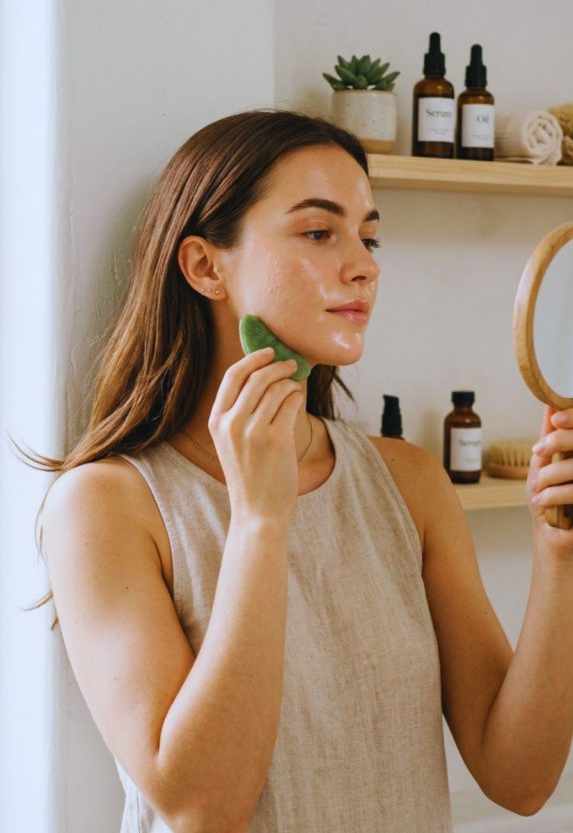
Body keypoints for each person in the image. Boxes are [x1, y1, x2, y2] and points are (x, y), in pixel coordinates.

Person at [34, 109, 573, 833]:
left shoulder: (407, 484)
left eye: (369, 235)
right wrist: (259, 520)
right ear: (204, 266)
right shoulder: (105, 506)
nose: (364, 263)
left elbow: (520, 779)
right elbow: (202, 808)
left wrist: (559, 558)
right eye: (319, 233)